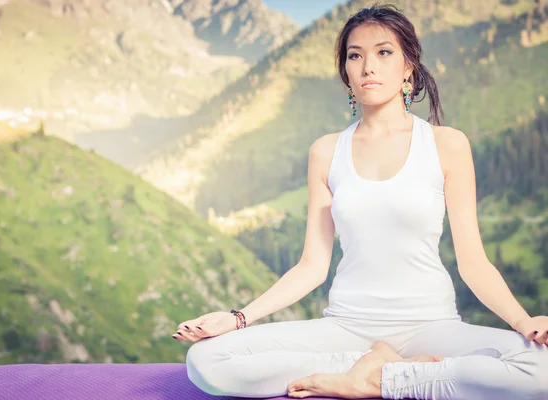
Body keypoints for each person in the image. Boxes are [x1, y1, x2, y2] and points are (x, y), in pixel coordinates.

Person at [172, 3, 548, 399]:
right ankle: (374, 369)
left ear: (408, 67)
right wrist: (239, 318)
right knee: (207, 363)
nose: (369, 65)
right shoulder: (326, 151)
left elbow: (473, 263)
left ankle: (378, 377)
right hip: (345, 329)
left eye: (384, 52)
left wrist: (524, 322)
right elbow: (312, 266)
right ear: (346, 71)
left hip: (431, 327)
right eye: (356, 55)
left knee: (542, 371)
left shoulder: (447, 144)